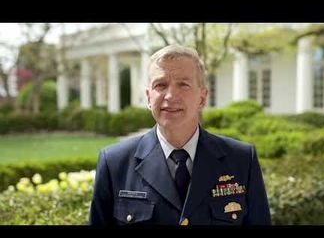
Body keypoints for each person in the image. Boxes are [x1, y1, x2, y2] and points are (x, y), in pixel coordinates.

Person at [89, 44, 271, 225]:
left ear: (202, 98)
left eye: (183, 84)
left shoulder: (241, 160)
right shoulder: (114, 163)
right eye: (160, 85)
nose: (170, 95)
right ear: (148, 97)